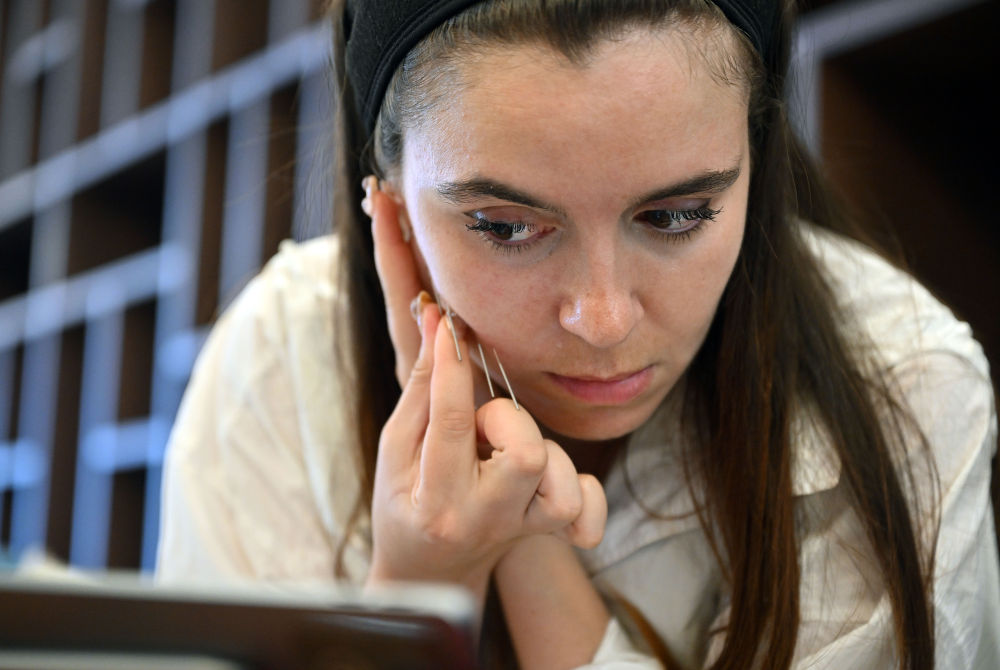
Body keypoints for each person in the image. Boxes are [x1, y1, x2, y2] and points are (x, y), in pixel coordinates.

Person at [155, 0, 1000, 668]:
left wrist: (522, 553)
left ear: (757, 158)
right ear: (394, 202)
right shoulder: (283, 358)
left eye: (677, 215)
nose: (602, 320)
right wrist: (418, 591)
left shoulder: (905, 381)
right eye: (505, 227)